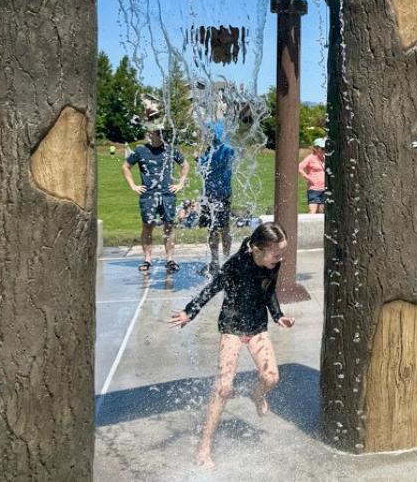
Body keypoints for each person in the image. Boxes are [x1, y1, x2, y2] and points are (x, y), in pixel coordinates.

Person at [168, 223, 295, 470]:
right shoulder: (236, 265)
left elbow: (268, 290)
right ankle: (204, 447)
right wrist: (189, 312)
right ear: (257, 249)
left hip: (256, 325)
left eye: (282, 253)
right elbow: (211, 288)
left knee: (271, 377)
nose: (281, 258)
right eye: (276, 253)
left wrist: (278, 315)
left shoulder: (273, 262)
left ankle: (257, 394)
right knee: (224, 387)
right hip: (232, 325)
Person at [123, 126, 189, 273]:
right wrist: (133, 185)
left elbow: (185, 165)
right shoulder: (140, 150)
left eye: (161, 132)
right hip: (148, 195)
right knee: (147, 226)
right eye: (157, 132)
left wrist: (180, 183)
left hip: (167, 195)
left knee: (169, 226)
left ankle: (170, 259)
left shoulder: (170, 150)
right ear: (150, 134)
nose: (160, 135)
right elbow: (126, 166)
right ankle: (147, 259)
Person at [198, 123, 236, 274]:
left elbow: (210, 167)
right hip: (211, 195)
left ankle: (224, 260)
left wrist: (199, 159)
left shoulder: (225, 149)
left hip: (221, 194)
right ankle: (216, 261)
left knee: (222, 229)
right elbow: (204, 170)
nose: (207, 135)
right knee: (213, 229)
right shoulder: (211, 149)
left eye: (209, 132)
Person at [298, 138, 327, 215]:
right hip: (314, 189)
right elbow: (299, 168)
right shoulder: (310, 158)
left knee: (322, 212)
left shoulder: (324, 157)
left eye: (325, 148)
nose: (324, 150)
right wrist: (308, 178)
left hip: (324, 188)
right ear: (316, 148)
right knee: (313, 212)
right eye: (322, 148)